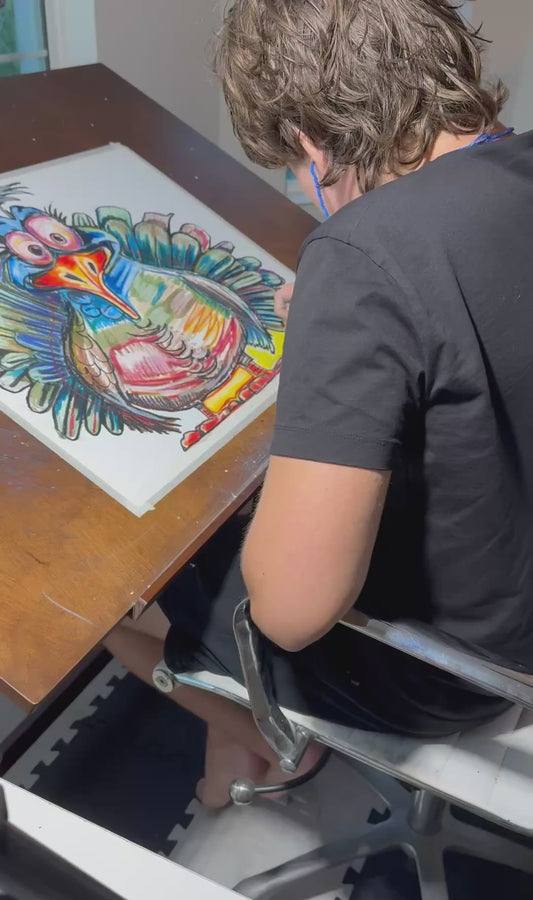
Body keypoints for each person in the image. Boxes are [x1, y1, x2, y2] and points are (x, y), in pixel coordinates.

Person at [108, 0, 533, 808]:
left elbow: (289, 613)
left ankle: (259, 738)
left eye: (289, 166)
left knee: (115, 591)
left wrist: (344, 305)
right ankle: (234, 742)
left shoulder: (365, 249)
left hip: (457, 674)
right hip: (512, 578)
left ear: (311, 142)